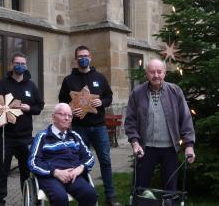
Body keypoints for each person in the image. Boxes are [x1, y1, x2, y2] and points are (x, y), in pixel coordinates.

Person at [59, 45, 120, 206]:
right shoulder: (68, 80)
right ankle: (84, 195)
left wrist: (102, 102)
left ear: (90, 57)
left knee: (105, 160)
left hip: (99, 126)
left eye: (85, 55)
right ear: (76, 59)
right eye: (80, 56)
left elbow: (109, 96)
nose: (83, 58)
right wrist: (71, 109)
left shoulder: (99, 77)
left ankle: (110, 195)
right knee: (81, 164)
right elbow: (62, 101)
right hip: (79, 128)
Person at [125, 58, 195, 192]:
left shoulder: (175, 91)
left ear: (164, 73)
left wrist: (189, 146)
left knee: (170, 188)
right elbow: (130, 121)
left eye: (159, 72)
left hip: (170, 148)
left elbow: (185, 119)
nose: (156, 75)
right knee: (141, 188)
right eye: (152, 72)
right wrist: (135, 142)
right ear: (146, 73)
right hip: (146, 148)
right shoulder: (137, 93)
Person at [28, 103, 97, 206]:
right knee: (60, 198)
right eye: (63, 114)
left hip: (73, 175)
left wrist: (80, 168)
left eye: (70, 116)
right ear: (53, 117)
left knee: (90, 194)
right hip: (51, 176)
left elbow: (90, 157)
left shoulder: (74, 136)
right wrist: (55, 172)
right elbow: (33, 162)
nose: (67, 118)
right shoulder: (43, 136)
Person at [0, 52, 44, 206]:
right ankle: (1, 201)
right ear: (12, 65)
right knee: (2, 171)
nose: (20, 66)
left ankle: (28, 200)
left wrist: (29, 108)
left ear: (26, 65)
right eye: (17, 63)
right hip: (5, 136)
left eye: (23, 63)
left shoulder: (31, 85)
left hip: (25, 136)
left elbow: (39, 106)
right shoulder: (2, 83)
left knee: (26, 171)